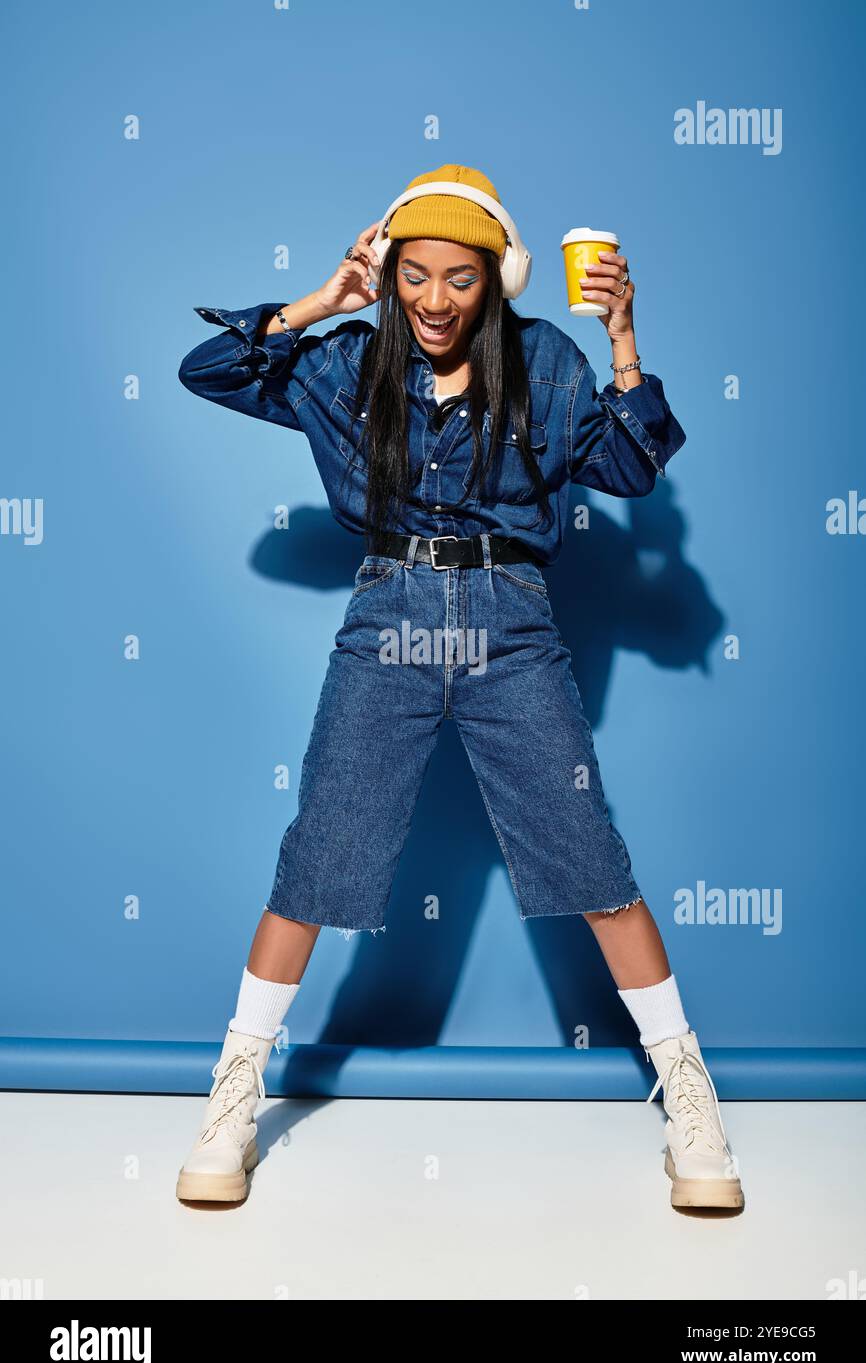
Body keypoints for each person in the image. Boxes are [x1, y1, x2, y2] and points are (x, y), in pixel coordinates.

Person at [174, 164, 744, 1212]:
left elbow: (627, 468)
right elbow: (207, 368)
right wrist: (321, 300)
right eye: (414, 276)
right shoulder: (345, 362)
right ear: (389, 275)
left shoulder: (547, 362)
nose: (435, 300)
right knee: (320, 853)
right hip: (386, 614)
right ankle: (232, 1100)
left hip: (511, 625)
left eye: (460, 280)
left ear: (496, 284)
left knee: (588, 857)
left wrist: (622, 340)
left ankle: (690, 1101)